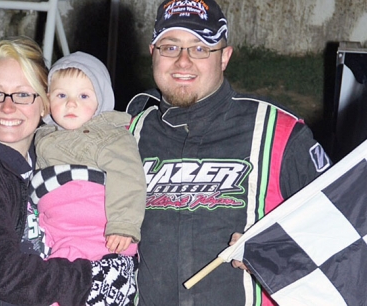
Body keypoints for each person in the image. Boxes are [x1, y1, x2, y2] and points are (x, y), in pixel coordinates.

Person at [126, 1, 332, 305]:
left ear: (224, 57)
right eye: (170, 47)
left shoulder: (279, 131)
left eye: (200, 49)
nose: (183, 61)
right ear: (152, 52)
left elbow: (340, 224)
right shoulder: (128, 133)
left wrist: (278, 252)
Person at [0, 37, 135, 306]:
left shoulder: (51, 167)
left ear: (45, 104)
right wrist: (91, 280)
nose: (7, 106)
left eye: (23, 94)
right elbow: (2, 272)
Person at [30, 51, 146, 304]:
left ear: (100, 99)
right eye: (62, 95)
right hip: (60, 234)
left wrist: (124, 226)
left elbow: (128, 177)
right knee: (53, 287)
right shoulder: (42, 135)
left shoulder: (109, 135)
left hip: (101, 237)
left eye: (83, 96)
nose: (71, 104)